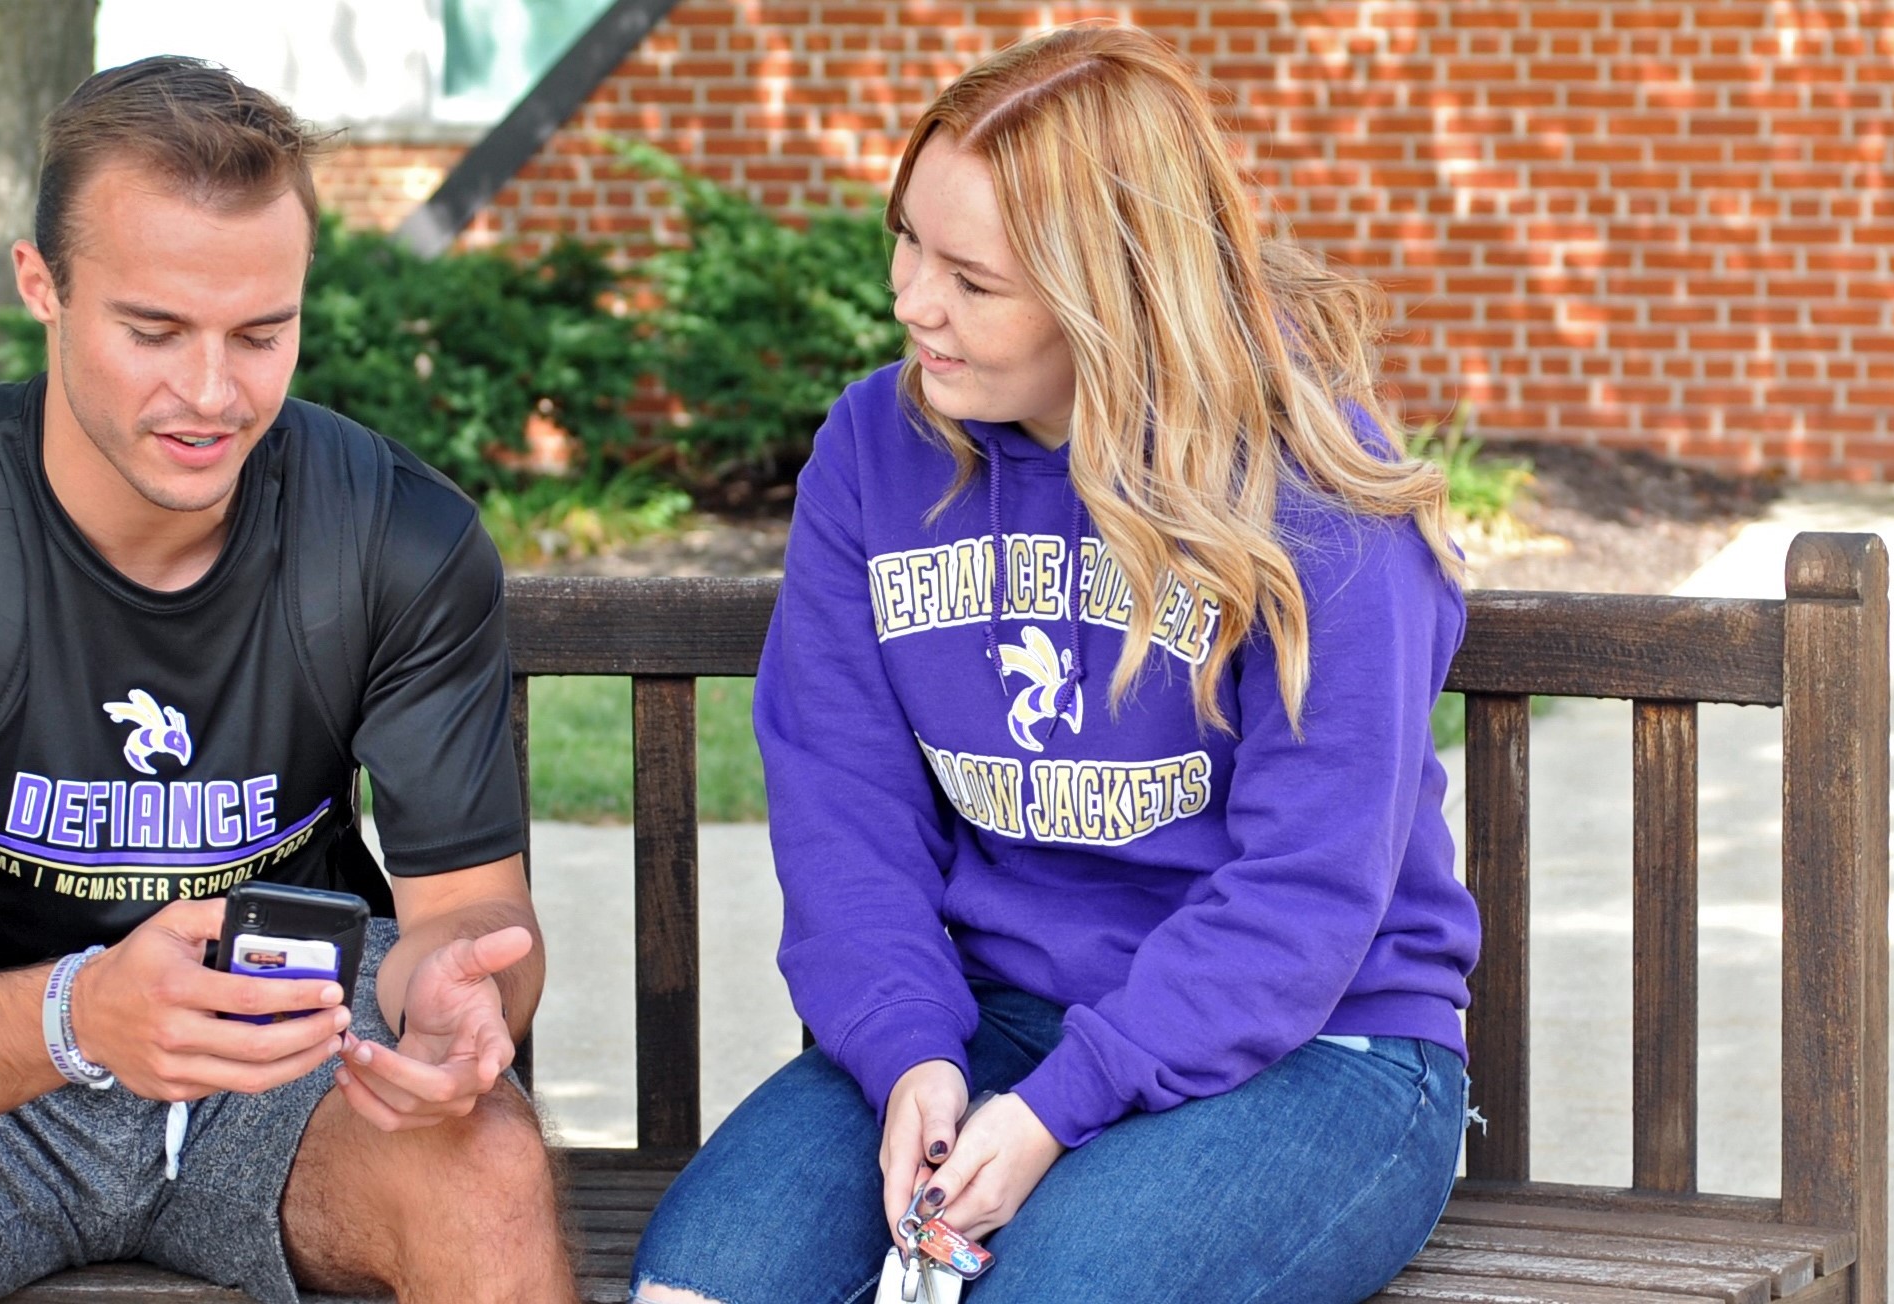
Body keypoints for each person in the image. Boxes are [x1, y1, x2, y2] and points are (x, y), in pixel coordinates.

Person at [0, 57, 572, 1304]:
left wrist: (463, 1004)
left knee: (490, 1167)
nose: (210, 391)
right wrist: (82, 1012)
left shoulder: (394, 535)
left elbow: (468, 918)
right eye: (152, 330)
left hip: (283, 1058)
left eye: (260, 332)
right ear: (42, 284)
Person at [628, 24, 1480, 1304]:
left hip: (1318, 1044)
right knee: (703, 1283)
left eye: (970, 277)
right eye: (906, 238)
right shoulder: (874, 447)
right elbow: (844, 809)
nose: (913, 298)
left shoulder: (1315, 495)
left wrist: (1052, 1112)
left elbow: (1306, 891)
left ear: (1113, 291)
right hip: (990, 1013)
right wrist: (911, 1051)